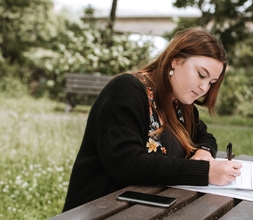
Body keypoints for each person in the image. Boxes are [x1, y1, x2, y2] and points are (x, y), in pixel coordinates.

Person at [62, 27, 242, 212]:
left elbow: (205, 137)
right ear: (176, 60)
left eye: (211, 82)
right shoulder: (126, 90)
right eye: (201, 75)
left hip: (146, 209)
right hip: (103, 211)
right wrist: (206, 173)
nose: (204, 87)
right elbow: (127, 164)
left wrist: (204, 152)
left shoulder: (181, 105)